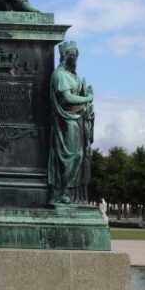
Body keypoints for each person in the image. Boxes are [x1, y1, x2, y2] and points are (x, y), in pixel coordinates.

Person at [47, 41, 94, 204]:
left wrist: (86, 93)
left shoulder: (75, 76)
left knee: (81, 156)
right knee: (74, 155)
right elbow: (67, 98)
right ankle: (62, 191)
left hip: (77, 119)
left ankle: (72, 194)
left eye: (76, 55)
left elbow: (78, 95)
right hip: (66, 121)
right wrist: (87, 98)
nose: (75, 59)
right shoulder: (60, 75)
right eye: (72, 55)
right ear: (65, 57)